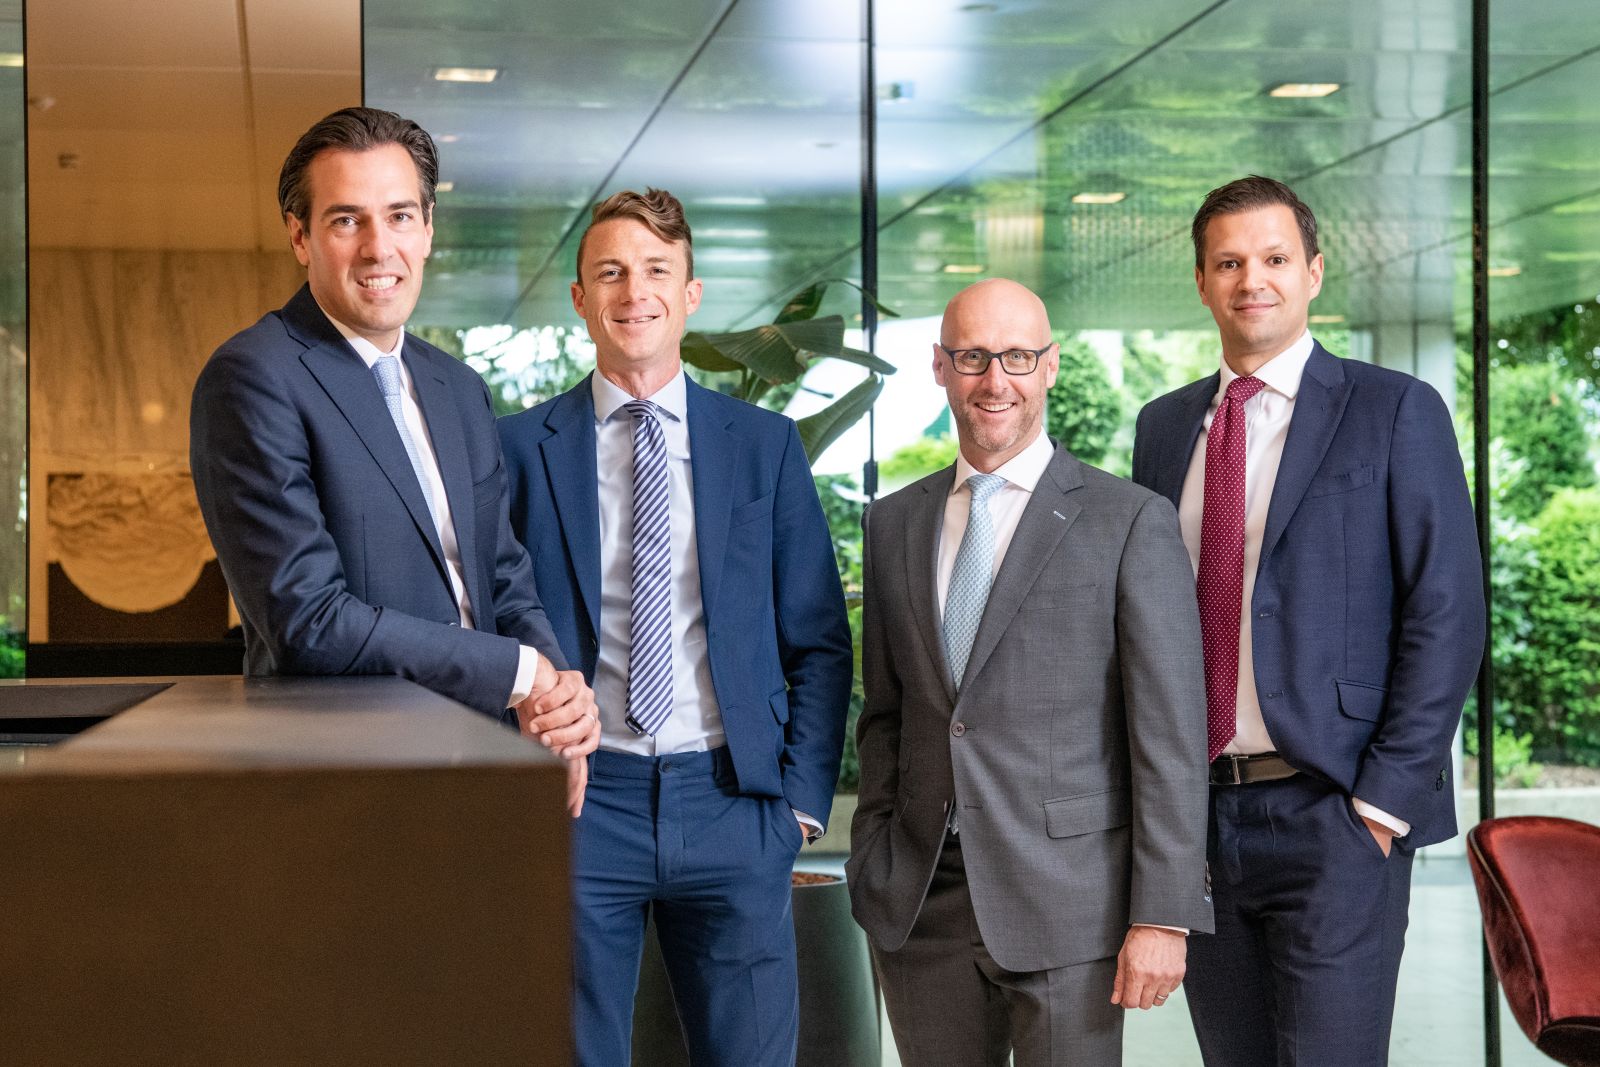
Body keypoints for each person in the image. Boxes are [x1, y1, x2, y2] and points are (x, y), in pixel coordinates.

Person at [1131, 175, 1485, 1066]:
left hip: (1336, 811)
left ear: (1314, 272)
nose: (1252, 279)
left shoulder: (1395, 408)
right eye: (1229, 262)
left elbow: (1447, 612)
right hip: (1202, 820)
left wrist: (1381, 805)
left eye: (1275, 258)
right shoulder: (1163, 428)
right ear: (1202, 281)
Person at [497, 187, 852, 1067]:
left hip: (736, 801)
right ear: (579, 296)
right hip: (582, 803)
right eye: (611, 272)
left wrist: (800, 807)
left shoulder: (764, 446)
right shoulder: (517, 451)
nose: (634, 292)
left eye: (657, 270)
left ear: (690, 293)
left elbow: (817, 637)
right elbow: (491, 626)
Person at [847, 277, 1212, 1066]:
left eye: (1016, 356)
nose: (995, 380)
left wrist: (1163, 913)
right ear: (939, 366)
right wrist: (873, 851)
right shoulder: (893, 523)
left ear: (1050, 366)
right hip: (921, 904)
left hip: (1070, 907)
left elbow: (1170, 738)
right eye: (972, 357)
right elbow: (887, 714)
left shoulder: (1128, 520)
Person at [191, 107, 598, 812]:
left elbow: (503, 576)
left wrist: (556, 697)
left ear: (428, 228)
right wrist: (519, 671)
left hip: (488, 772)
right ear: (300, 236)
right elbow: (309, 621)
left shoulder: (457, 387)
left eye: (400, 216)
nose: (379, 248)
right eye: (347, 220)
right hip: (345, 789)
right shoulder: (254, 377)